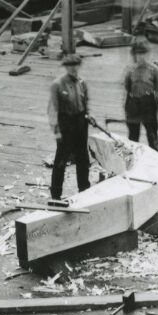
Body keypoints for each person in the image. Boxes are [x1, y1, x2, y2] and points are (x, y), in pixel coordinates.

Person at [46, 51, 91, 204]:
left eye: (75, 66)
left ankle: (84, 190)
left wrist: (88, 115)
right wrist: (56, 131)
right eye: (69, 66)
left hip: (81, 123)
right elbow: (53, 110)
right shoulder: (57, 85)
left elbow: (86, 102)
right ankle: (56, 194)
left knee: (83, 158)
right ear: (65, 67)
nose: (73, 69)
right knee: (61, 160)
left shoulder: (82, 82)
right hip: (66, 124)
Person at [121, 38, 158, 151]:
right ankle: (133, 164)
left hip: (149, 106)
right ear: (134, 55)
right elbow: (126, 88)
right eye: (139, 54)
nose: (141, 57)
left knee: (152, 137)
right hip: (133, 106)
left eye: (144, 53)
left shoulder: (154, 70)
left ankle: (156, 163)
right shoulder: (129, 70)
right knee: (133, 139)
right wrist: (126, 107)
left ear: (148, 54)